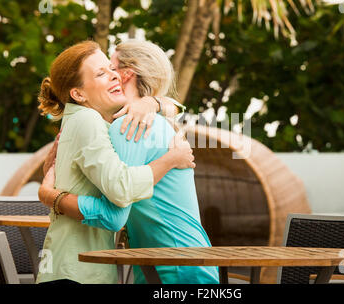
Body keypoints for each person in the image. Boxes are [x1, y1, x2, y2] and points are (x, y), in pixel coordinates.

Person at [39, 39, 219, 284]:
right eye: (104, 71)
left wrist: (51, 196)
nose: (113, 75)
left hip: (173, 267)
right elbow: (118, 196)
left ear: (127, 74)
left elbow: (114, 213)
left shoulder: (130, 125)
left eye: (112, 68)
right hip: (167, 264)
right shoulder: (136, 122)